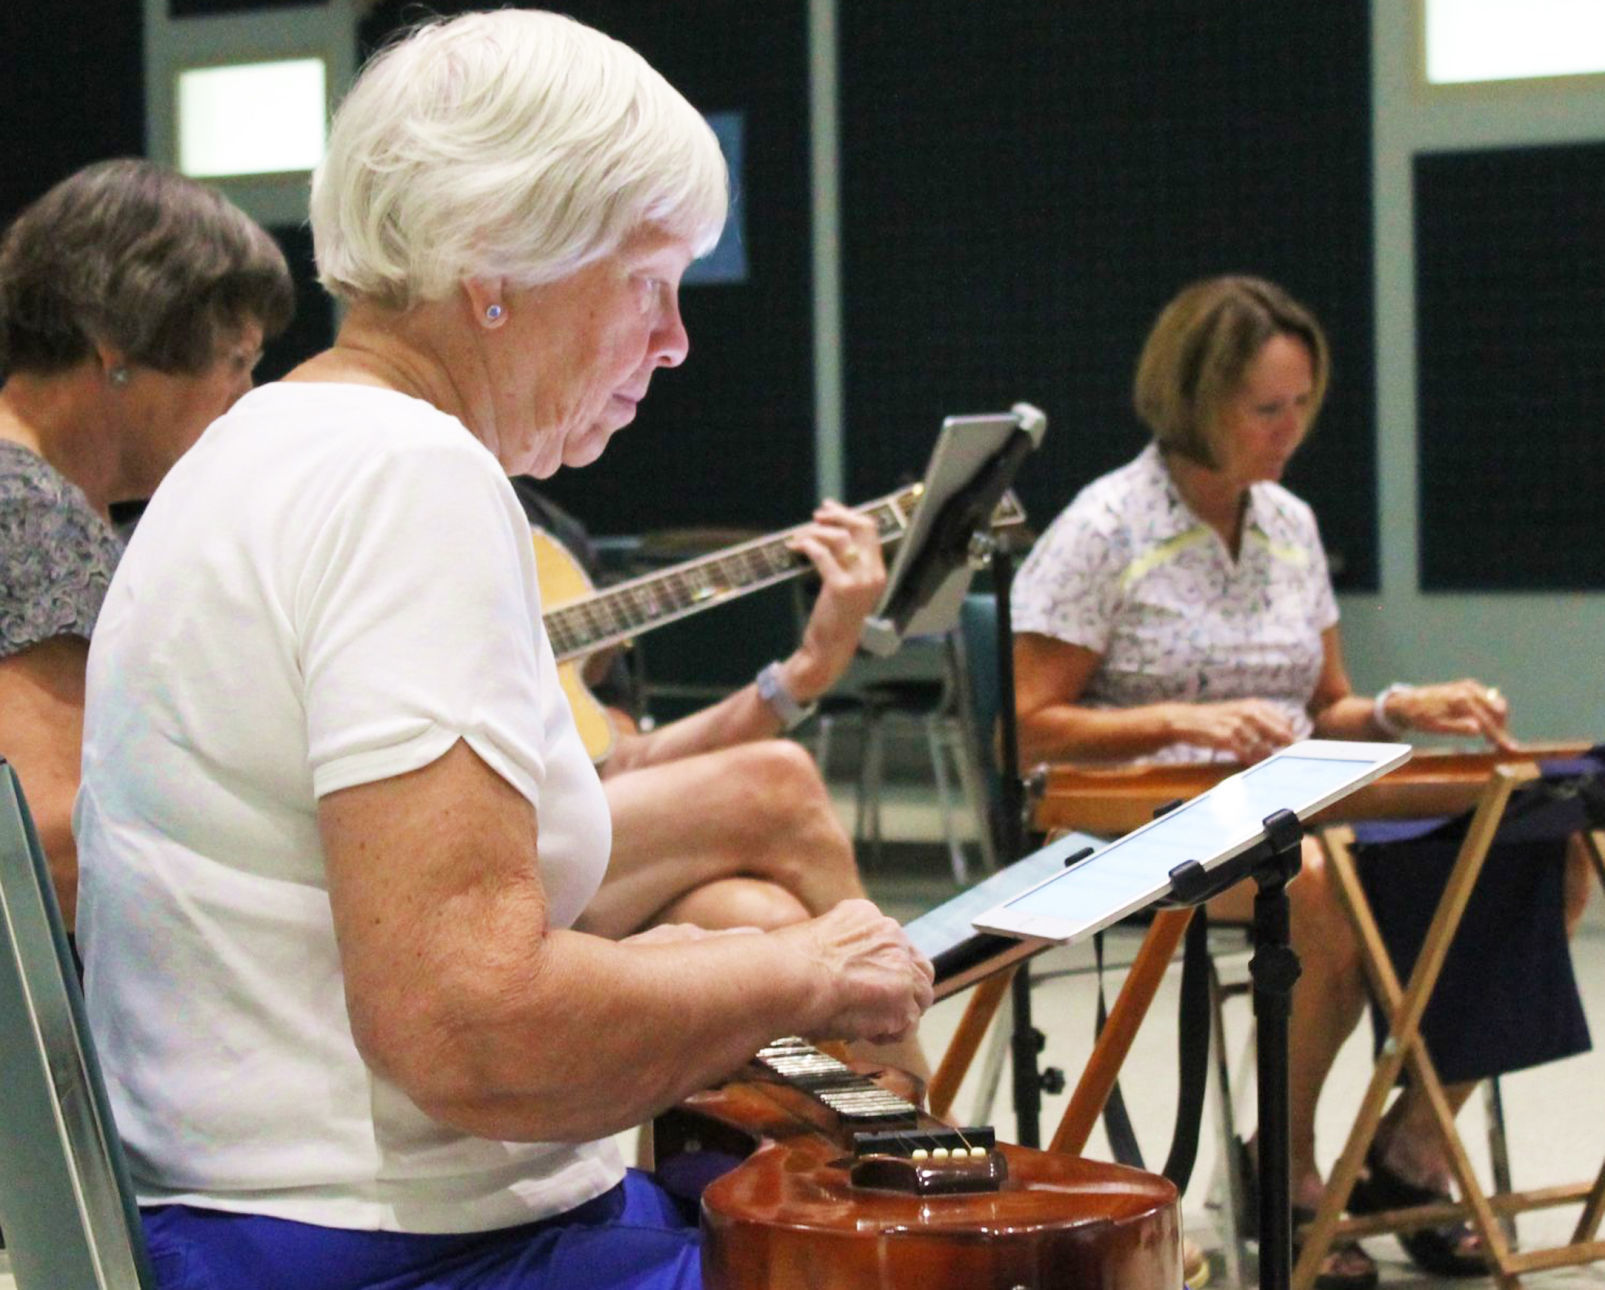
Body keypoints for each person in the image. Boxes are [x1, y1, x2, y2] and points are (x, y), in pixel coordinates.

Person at [75, 12, 933, 1290]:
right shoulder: (407, 475)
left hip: (270, 1222)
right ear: (496, 264)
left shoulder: (259, 448)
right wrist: (798, 968)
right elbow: (470, 1035)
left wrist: (697, 964)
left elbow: (329, 929)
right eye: (649, 282)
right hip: (387, 1252)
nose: (676, 339)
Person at [1010, 276, 1585, 1288]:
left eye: (1301, 407)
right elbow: (1028, 728)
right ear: (1196, 400)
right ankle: (1288, 1163)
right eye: (1264, 409)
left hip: (1291, 803)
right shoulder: (1105, 528)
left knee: (1546, 841)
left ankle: (1405, 1144)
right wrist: (1178, 718)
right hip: (1143, 824)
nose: (1289, 430)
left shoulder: (1289, 523)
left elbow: (1328, 708)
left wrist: (1407, 708)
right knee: (1314, 884)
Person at [513, 482, 928, 1083]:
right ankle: (932, 1125)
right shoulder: (402, 496)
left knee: (759, 917)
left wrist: (808, 668)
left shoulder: (548, 532)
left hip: (581, 845)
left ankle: (796, 1173)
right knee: (778, 776)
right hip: (478, 862)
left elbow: (623, 760)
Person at [0, 158, 293, 931]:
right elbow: (45, 848)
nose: (246, 399)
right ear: (115, 343)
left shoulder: (49, 502)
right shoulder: (25, 509)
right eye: (234, 363)